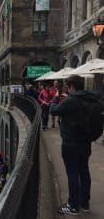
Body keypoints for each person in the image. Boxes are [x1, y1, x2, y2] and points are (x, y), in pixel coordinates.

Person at [50, 75, 103, 215]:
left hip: (70, 143)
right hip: (86, 142)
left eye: (68, 87)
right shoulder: (92, 98)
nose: (67, 89)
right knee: (84, 172)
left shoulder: (71, 101)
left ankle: (73, 206)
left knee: (72, 173)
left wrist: (56, 97)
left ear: (72, 86)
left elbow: (53, 110)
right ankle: (84, 204)